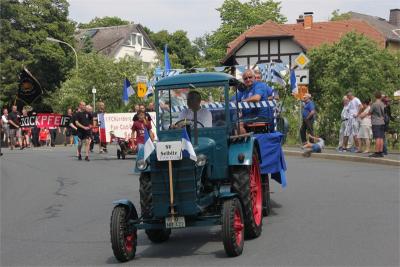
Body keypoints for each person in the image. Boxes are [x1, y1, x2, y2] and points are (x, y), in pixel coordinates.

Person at [368, 91, 385, 157]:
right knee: (381, 137)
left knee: (377, 137)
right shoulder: (382, 104)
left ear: (375, 96)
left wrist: (370, 105)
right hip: (382, 122)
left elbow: (369, 112)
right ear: (380, 96)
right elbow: (384, 113)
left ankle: (377, 152)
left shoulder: (374, 104)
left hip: (376, 122)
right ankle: (381, 152)